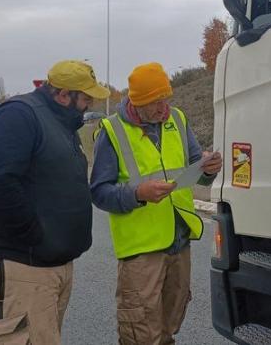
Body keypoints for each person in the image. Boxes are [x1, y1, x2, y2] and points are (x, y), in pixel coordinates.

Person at [0, 60, 109, 344]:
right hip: (19, 264)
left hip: (48, 266)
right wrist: (35, 236)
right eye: (85, 97)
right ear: (64, 95)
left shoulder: (60, 123)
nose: (89, 103)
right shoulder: (18, 116)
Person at [90, 62, 222, 345]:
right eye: (155, 102)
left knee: (167, 328)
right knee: (140, 334)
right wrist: (138, 194)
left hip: (179, 241)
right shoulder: (112, 131)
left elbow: (194, 166)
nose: (163, 108)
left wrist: (209, 168)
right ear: (136, 102)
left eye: (166, 99)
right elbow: (100, 192)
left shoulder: (178, 119)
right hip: (141, 250)